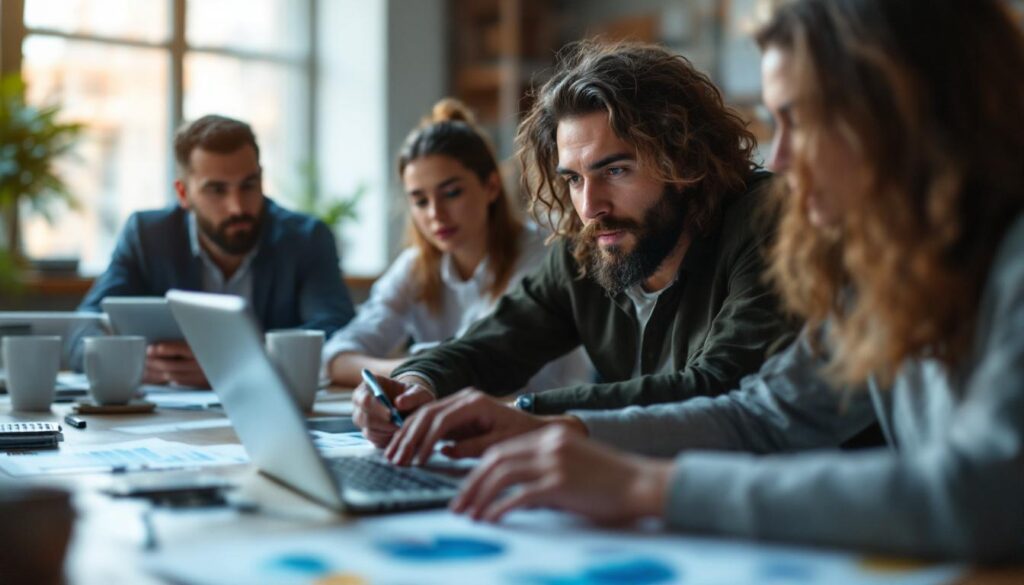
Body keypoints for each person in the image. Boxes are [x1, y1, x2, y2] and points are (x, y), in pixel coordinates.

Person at [381, 0, 1024, 560]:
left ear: (905, 113)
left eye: (800, 120)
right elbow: (764, 415)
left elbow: (985, 494)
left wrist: (646, 486)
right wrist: (562, 429)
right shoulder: (888, 264)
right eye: (574, 179)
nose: (781, 157)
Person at [353, 41, 797, 446]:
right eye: (573, 179)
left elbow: (723, 386)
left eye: (615, 171)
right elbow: (495, 342)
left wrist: (529, 414)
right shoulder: (590, 248)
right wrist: (416, 383)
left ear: (684, 158)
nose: (589, 207)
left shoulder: (766, 218)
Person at [322, 98, 589, 391]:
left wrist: (424, 371)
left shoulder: (540, 254)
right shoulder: (416, 266)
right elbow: (335, 358)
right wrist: (418, 373)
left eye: (451, 193)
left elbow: (490, 367)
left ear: (491, 187)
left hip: (539, 412)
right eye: (420, 201)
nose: (435, 214)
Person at [69, 114, 355, 387]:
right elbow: (82, 331)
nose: (237, 207)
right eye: (217, 190)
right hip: (171, 412)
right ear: (183, 193)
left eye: (248, 185)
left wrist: (230, 361)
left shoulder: (305, 239)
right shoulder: (147, 236)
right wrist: (131, 360)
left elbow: (335, 333)